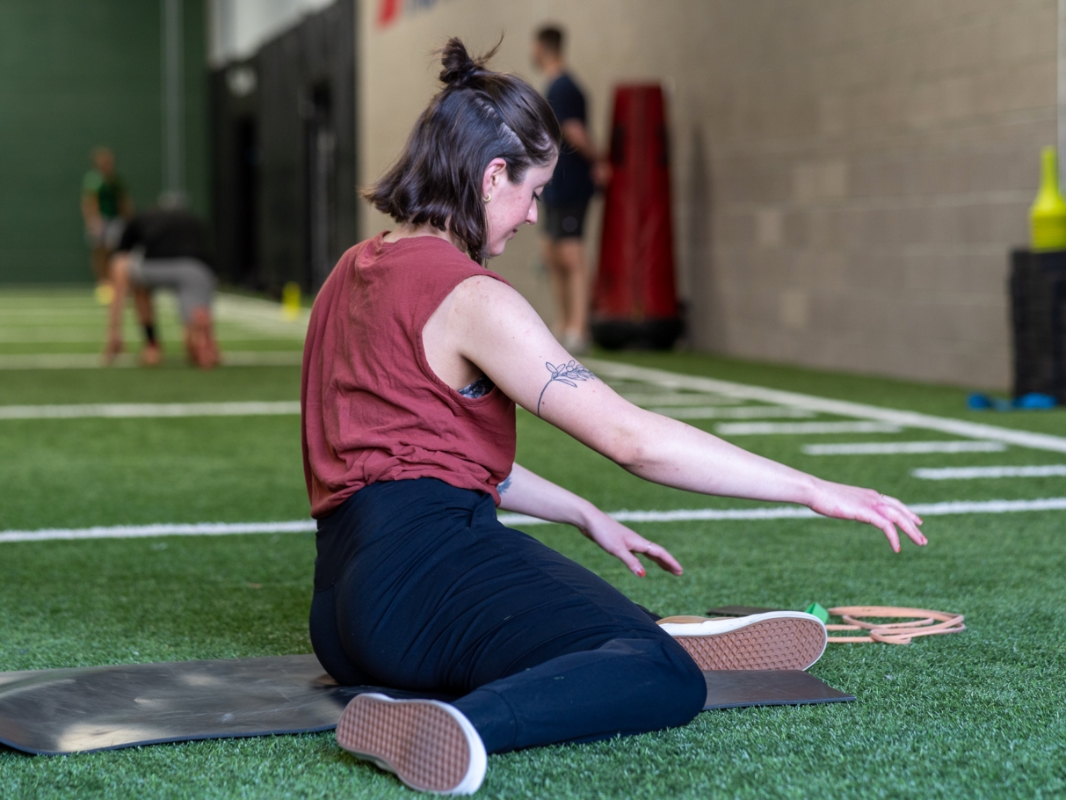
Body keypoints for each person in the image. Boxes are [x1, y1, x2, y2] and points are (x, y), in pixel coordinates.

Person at [303, 39, 925, 795]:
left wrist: (580, 511)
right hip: (423, 578)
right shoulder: (472, 297)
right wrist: (810, 488)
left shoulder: (349, 271)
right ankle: (469, 723)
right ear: (491, 174)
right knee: (663, 676)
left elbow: (416, 455)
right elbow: (633, 440)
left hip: (343, 616)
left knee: (585, 632)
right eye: (532, 193)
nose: (533, 216)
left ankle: (626, 631)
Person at [531, 25, 608, 354]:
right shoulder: (551, 85)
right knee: (551, 252)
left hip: (573, 181)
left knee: (571, 253)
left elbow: (574, 130)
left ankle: (579, 327)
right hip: (555, 184)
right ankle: (563, 323)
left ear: (544, 47)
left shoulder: (564, 87)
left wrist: (599, 160)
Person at [104, 202, 220, 369]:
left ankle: (152, 345)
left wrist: (114, 330)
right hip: (195, 268)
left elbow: (119, 263)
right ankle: (202, 337)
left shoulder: (139, 219)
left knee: (131, 274)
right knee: (196, 320)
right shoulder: (194, 220)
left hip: (155, 267)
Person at [81, 147, 133, 304]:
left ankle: (118, 282)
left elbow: (123, 200)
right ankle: (103, 284)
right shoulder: (93, 179)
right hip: (100, 220)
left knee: (116, 250)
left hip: (115, 220)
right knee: (99, 251)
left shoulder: (116, 179)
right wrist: (93, 221)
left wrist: (129, 219)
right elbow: (89, 201)